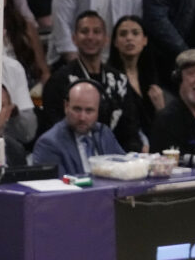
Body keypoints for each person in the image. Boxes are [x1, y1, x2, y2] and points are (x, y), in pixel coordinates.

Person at [41, 11, 143, 153]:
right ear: (74, 38)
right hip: (73, 156)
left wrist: (129, 158)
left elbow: (130, 131)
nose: (90, 37)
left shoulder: (120, 80)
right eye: (84, 31)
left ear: (106, 39)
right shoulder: (59, 81)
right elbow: (54, 128)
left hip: (116, 157)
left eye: (96, 32)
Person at [46, 0, 143, 68]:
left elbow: (135, 20)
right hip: (73, 59)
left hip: (118, 59)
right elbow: (61, 29)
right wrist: (82, 69)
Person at [33, 81, 125, 176]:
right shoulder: (49, 144)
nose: (82, 117)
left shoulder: (103, 133)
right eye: (77, 109)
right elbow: (58, 185)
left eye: (89, 111)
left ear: (98, 110)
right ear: (66, 106)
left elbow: (124, 168)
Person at [108, 16, 165, 138]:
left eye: (135, 33)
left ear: (145, 40)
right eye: (123, 34)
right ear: (115, 42)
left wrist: (160, 109)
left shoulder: (152, 78)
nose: (129, 38)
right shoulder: (109, 79)